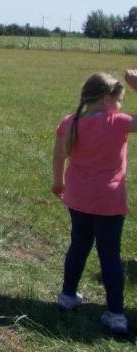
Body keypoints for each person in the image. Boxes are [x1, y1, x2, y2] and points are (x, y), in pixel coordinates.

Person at [51, 71, 137, 336]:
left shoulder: (70, 121)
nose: (121, 105)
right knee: (109, 254)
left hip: (77, 196)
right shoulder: (118, 122)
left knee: (79, 244)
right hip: (108, 200)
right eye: (120, 99)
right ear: (106, 98)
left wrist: (58, 183)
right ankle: (115, 314)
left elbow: (58, 156)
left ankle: (67, 296)